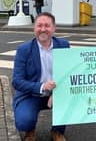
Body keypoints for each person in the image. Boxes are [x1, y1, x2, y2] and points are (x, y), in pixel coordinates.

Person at [12, 12, 69, 141]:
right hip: (31, 94)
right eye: (39, 25)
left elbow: (69, 74)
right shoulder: (24, 49)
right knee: (24, 121)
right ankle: (29, 129)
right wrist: (42, 86)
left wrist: (56, 93)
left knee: (71, 100)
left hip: (57, 93)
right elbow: (17, 81)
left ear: (54, 28)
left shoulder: (64, 45)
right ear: (34, 28)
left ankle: (58, 131)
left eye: (47, 26)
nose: (43, 29)